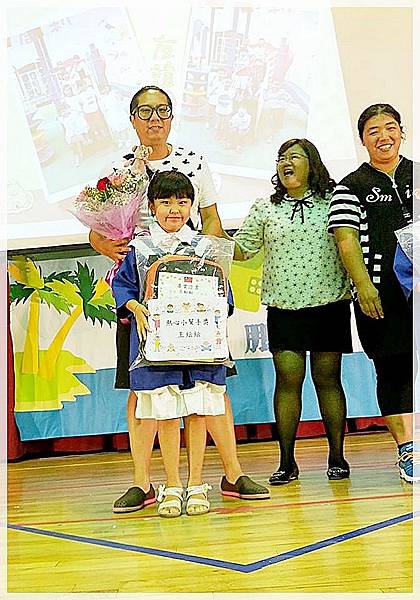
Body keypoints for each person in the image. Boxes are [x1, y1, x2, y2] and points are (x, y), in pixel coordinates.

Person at [89, 85, 269, 511]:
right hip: (143, 301)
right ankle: (145, 483)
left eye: (163, 111)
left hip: (195, 298)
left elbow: (212, 222)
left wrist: (213, 276)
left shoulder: (194, 161)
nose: (155, 119)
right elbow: (98, 232)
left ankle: (231, 473)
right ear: (131, 118)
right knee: (145, 391)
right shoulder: (118, 171)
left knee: (209, 388)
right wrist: (110, 248)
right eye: (145, 111)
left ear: (172, 117)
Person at [232, 138, 352, 484]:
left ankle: (337, 457)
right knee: (287, 381)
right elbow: (242, 249)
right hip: (284, 308)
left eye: (294, 157)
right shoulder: (265, 207)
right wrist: (208, 235)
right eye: (281, 158)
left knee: (328, 380)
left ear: (312, 163)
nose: (285, 162)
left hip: (330, 304)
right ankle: (287, 462)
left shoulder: (334, 201)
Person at [112, 171, 229, 517]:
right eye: (165, 202)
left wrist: (215, 309)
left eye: (182, 201)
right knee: (165, 414)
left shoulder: (206, 248)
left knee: (197, 411)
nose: (174, 209)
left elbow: (225, 295)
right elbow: (124, 288)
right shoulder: (140, 249)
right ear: (152, 207)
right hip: (157, 348)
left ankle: (196, 484)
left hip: (199, 345)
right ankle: (173, 485)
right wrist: (135, 307)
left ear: (192, 205)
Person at [328, 103, 417, 483]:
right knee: (393, 369)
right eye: (374, 131)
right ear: (363, 140)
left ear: (402, 132)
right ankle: (408, 450)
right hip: (382, 294)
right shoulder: (351, 186)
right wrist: (364, 286)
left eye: (390, 127)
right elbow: (345, 239)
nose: (384, 136)